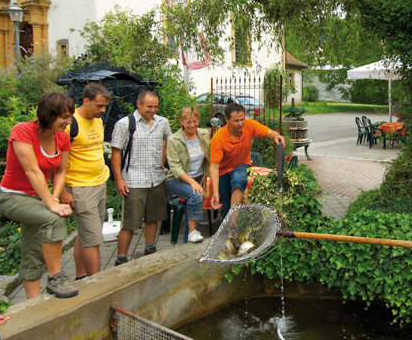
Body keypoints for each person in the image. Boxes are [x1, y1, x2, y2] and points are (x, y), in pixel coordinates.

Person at [0, 92, 78, 299]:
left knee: (33, 249)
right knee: (53, 220)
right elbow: (32, 170)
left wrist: (55, 198)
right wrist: (51, 204)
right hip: (13, 197)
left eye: (70, 117)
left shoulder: (62, 137)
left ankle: (32, 303)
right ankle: (56, 277)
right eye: (64, 117)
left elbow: (60, 171)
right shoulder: (23, 131)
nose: (69, 122)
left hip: (38, 198)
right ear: (48, 115)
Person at [111, 90, 172, 265]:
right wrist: (119, 179)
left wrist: (163, 162)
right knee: (130, 222)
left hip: (156, 178)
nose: (153, 110)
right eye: (149, 106)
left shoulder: (162, 122)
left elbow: (171, 142)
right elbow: (116, 152)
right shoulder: (125, 124)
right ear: (139, 105)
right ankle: (121, 258)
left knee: (152, 218)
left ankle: (150, 249)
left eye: (155, 106)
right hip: (134, 180)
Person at [60, 83, 112, 278]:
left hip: (99, 183)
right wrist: (64, 192)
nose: (103, 110)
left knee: (86, 233)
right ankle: (97, 285)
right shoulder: (70, 124)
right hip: (80, 187)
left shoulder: (97, 120)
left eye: (105, 106)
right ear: (86, 101)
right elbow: (58, 161)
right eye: (99, 106)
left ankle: (81, 276)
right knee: (93, 239)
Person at [209, 102, 285, 217]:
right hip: (223, 171)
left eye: (242, 119)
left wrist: (276, 136)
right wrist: (215, 192)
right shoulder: (218, 138)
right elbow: (214, 167)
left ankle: (233, 228)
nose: (240, 123)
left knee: (238, 179)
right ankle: (231, 228)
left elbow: (269, 132)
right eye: (236, 121)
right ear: (227, 120)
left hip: (242, 165)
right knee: (225, 210)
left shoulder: (249, 125)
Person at [166, 105, 211, 243]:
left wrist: (205, 173)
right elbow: (175, 168)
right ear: (181, 122)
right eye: (188, 122)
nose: (192, 125)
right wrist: (192, 182)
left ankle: (188, 242)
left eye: (195, 121)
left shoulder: (204, 134)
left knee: (193, 201)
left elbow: (209, 157)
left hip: (197, 176)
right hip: (176, 179)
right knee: (195, 194)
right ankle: (192, 231)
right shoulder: (174, 140)